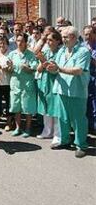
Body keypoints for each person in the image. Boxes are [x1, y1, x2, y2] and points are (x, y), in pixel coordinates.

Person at [47, 26, 91, 158]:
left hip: (76, 91)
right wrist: (50, 67)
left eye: (65, 37)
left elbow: (78, 70)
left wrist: (58, 68)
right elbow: (55, 67)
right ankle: (65, 140)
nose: (63, 39)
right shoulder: (62, 50)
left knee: (78, 119)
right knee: (63, 117)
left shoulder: (83, 51)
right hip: (61, 89)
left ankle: (81, 145)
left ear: (73, 37)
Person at [7, 33, 38, 138]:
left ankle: (28, 128)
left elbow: (34, 68)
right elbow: (9, 69)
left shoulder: (31, 54)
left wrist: (27, 69)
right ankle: (18, 127)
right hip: (15, 83)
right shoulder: (12, 54)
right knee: (16, 107)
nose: (19, 43)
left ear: (26, 42)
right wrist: (9, 68)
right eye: (18, 41)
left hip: (27, 83)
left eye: (21, 41)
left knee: (27, 107)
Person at [35, 31, 62, 140]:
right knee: (45, 107)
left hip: (55, 82)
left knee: (55, 108)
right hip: (44, 82)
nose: (48, 42)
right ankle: (47, 131)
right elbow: (39, 69)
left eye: (51, 40)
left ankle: (57, 134)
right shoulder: (45, 52)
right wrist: (42, 62)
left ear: (57, 41)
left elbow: (55, 69)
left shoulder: (60, 53)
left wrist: (44, 61)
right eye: (47, 40)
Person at [82, 25, 96, 133]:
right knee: (86, 101)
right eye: (86, 34)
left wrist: (90, 57)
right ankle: (88, 125)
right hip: (84, 78)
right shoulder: (82, 46)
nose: (87, 36)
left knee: (94, 102)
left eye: (90, 34)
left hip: (94, 76)